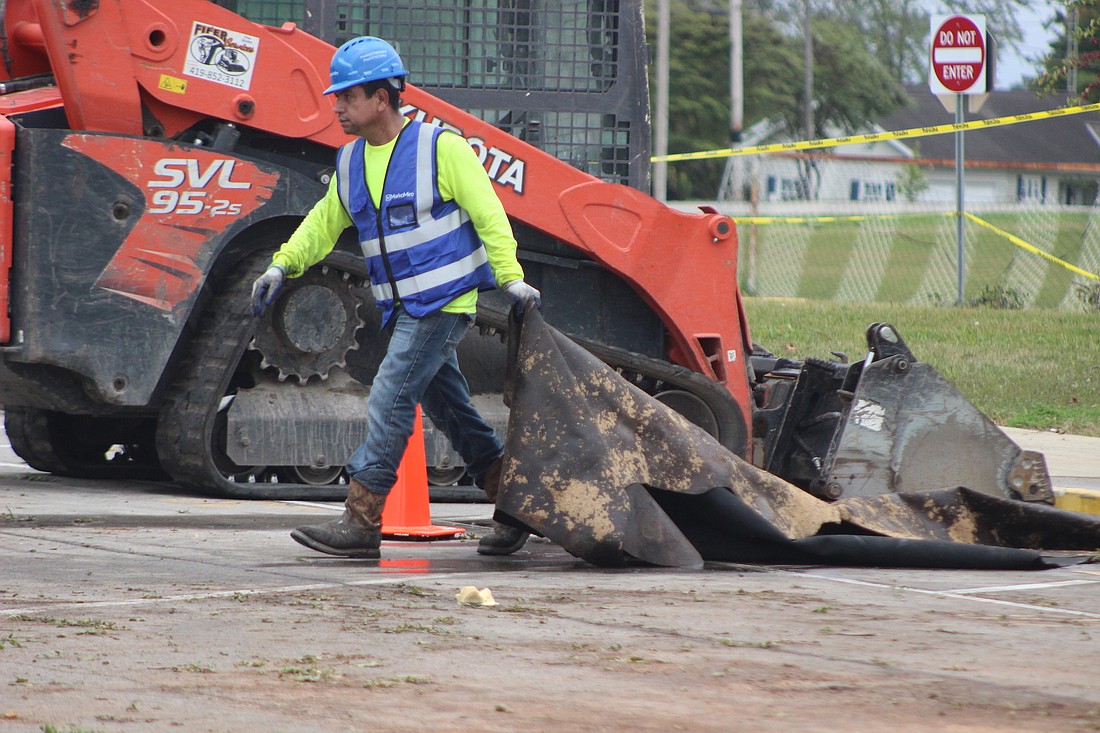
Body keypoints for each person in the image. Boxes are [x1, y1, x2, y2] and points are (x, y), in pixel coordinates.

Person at [250, 36, 539, 560]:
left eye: (347, 96)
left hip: (443, 304)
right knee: (449, 407)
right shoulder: (352, 161)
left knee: (389, 395)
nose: (335, 106)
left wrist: (510, 277)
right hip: (403, 307)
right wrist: (281, 263)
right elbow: (323, 223)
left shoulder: (441, 149)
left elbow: (489, 214)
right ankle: (514, 503)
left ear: (381, 98)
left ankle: (361, 519)